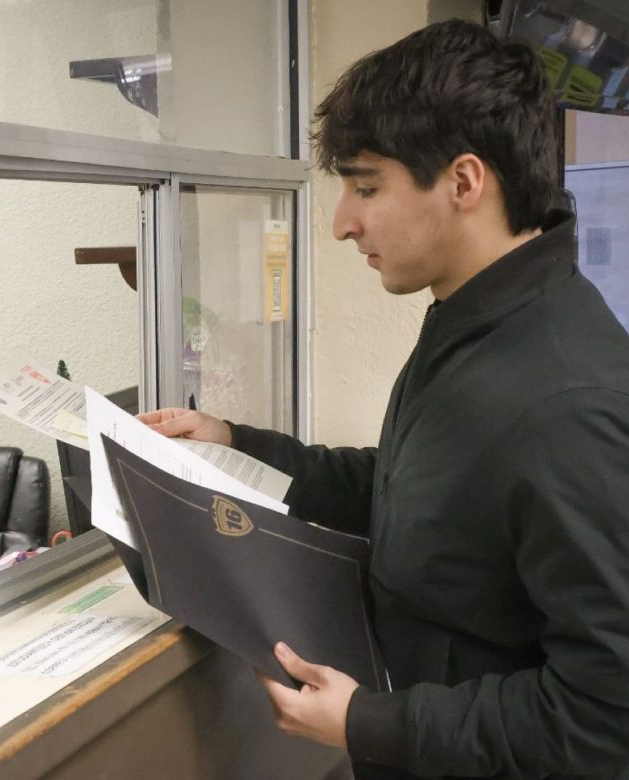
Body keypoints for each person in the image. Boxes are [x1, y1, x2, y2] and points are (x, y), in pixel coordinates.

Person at [141, 19, 629, 779]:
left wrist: (369, 722)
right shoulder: (478, 318)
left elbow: (605, 721)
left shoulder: (566, 401)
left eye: (367, 187)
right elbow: (418, 493)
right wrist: (236, 446)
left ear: (465, 183)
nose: (342, 223)